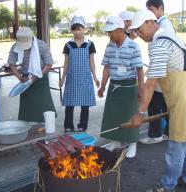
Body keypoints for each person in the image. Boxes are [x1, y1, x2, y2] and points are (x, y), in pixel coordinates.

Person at [129, 9, 186, 192]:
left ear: (149, 22)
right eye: (136, 32)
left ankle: (168, 184)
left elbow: (150, 83)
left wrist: (139, 113)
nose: (138, 35)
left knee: (177, 142)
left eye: (139, 30)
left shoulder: (160, 44)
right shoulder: (169, 36)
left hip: (183, 96)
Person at [98, 16, 144, 158]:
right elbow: (106, 67)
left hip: (129, 86)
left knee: (130, 116)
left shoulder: (133, 46)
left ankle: (132, 143)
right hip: (114, 86)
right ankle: (115, 140)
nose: (109, 35)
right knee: (113, 116)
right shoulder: (109, 46)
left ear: (119, 30)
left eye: (110, 32)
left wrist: (141, 89)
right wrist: (103, 86)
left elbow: (139, 69)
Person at [139, 0, 176, 145]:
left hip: (163, 71)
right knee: (165, 104)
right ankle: (168, 132)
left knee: (154, 104)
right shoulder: (160, 24)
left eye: (151, 9)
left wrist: (139, 113)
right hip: (162, 70)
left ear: (160, 8)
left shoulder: (164, 26)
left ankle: (155, 134)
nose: (149, 12)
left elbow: (162, 53)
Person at [59, 16, 99, 133]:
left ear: (84, 29)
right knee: (69, 104)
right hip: (72, 77)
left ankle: (82, 125)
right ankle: (68, 125)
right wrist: (62, 78)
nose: (77, 32)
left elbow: (92, 61)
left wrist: (95, 77)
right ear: (72, 30)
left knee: (85, 104)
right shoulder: (68, 45)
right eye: (75, 29)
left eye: (79, 29)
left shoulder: (89, 44)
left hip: (85, 77)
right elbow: (66, 62)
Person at [7, 27, 56, 122]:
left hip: (41, 77)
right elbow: (11, 64)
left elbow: (49, 63)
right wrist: (20, 78)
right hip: (25, 78)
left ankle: (44, 123)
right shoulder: (15, 47)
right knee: (27, 106)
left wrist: (37, 76)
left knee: (43, 104)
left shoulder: (42, 46)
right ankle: (27, 124)